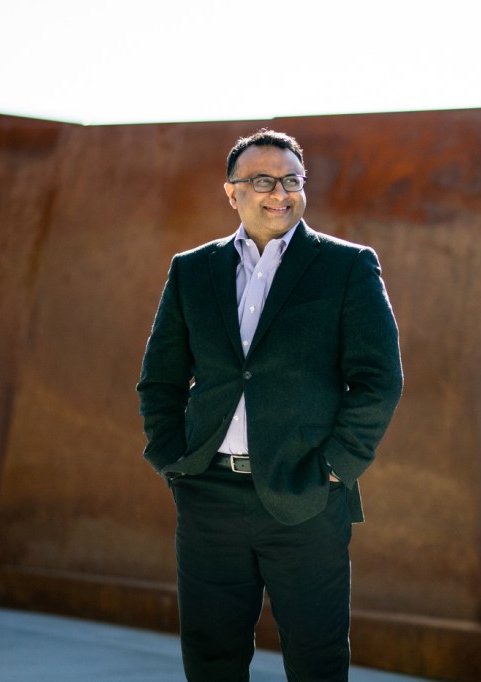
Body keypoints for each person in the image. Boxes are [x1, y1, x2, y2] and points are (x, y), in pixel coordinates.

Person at [136, 129, 404, 682]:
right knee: (211, 660)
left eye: (292, 180)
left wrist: (336, 467)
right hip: (208, 495)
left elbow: (379, 381)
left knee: (317, 661)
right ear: (231, 192)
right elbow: (159, 380)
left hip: (306, 496)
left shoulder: (347, 267)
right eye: (262, 180)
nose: (279, 192)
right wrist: (173, 460)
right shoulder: (193, 270)